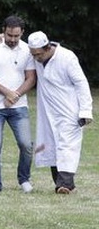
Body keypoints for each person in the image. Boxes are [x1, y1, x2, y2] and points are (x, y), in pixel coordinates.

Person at [27, 31, 92, 193]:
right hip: (47, 111)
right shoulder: (35, 56)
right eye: (33, 55)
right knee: (51, 146)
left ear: (48, 48)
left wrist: (85, 111)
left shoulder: (67, 57)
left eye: (39, 55)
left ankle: (64, 185)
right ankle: (63, 184)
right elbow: (16, 47)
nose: (36, 58)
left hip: (69, 110)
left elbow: (81, 83)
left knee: (67, 146)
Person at [0, 16, 36, 194]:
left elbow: (31, 78)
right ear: (3, 30)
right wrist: (7, 93)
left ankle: (24, 179)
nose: (12, 39)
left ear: (22, 33)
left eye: (16, 36)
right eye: (9, 35)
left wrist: (16, 94)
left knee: (26, 145)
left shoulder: (27, 49)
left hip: (19, 106)